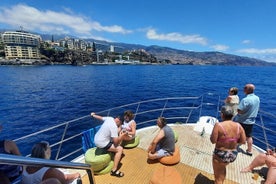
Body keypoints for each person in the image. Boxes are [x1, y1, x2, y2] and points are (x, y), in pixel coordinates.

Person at [210, 106, 246, 184]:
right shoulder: (239, 126)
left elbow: (213, 141)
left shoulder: (218, 125)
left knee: (217, 177)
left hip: (220, 155)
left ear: (222, 115)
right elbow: (243, 141)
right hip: (233, 155)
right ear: (232, 115)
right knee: (222, 168)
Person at [90, 112, 127, 177]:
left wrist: (93, 115)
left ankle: (110, 151)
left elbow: (100, 118)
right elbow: (116, 143)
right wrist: (122, 136)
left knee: (114, 138)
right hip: (101, 143)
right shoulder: (114, 127)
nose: (120, 125)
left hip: (96, 139)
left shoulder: (110, 118)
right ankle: (114, 171)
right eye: (121, 123)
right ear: (119, 121)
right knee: (120, 149)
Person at [234, 83, 260, 156]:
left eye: (244, 88)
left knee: (237, 135)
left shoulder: (245, 99)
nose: (243, 89)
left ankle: (234, 149)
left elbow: (239, 111)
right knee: (249, 136)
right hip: (251, 121)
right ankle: (249, 151)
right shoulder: (257, 98)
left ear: (247, 90)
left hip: (242, 120)